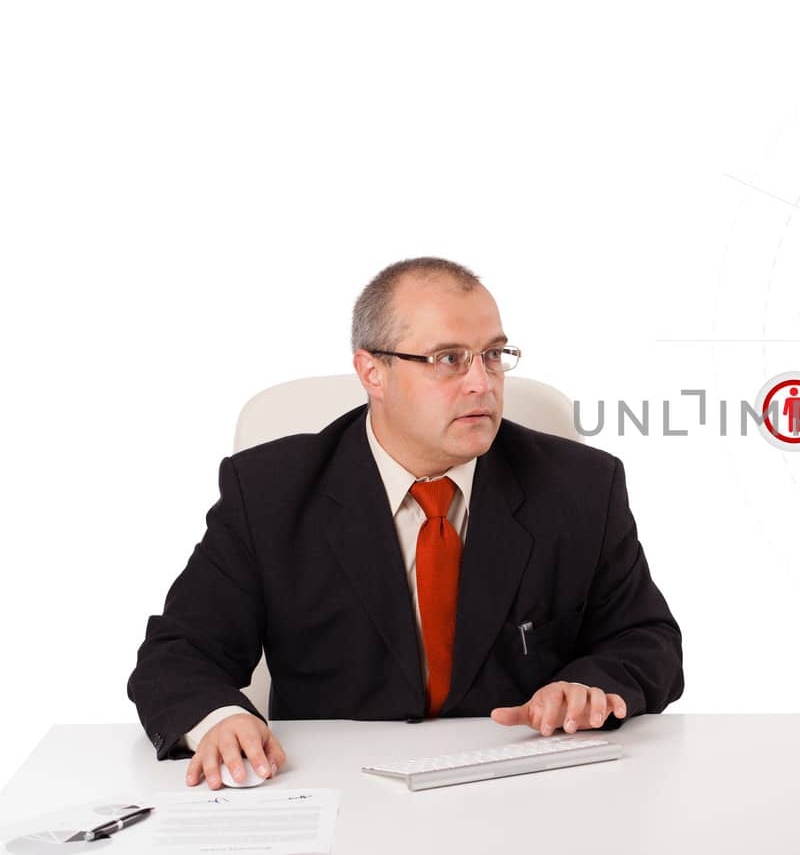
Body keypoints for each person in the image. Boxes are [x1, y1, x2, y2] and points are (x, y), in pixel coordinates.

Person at [127, 258, 685, 790]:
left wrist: (592, 685)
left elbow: (646, 638)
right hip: (337, 789)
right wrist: (220, 719)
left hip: (521, 785)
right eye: (448, 359)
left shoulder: (580, 485)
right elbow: (178, 654)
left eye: (493, 355)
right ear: (373, 371)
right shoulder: (270, 490)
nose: (482, 384)